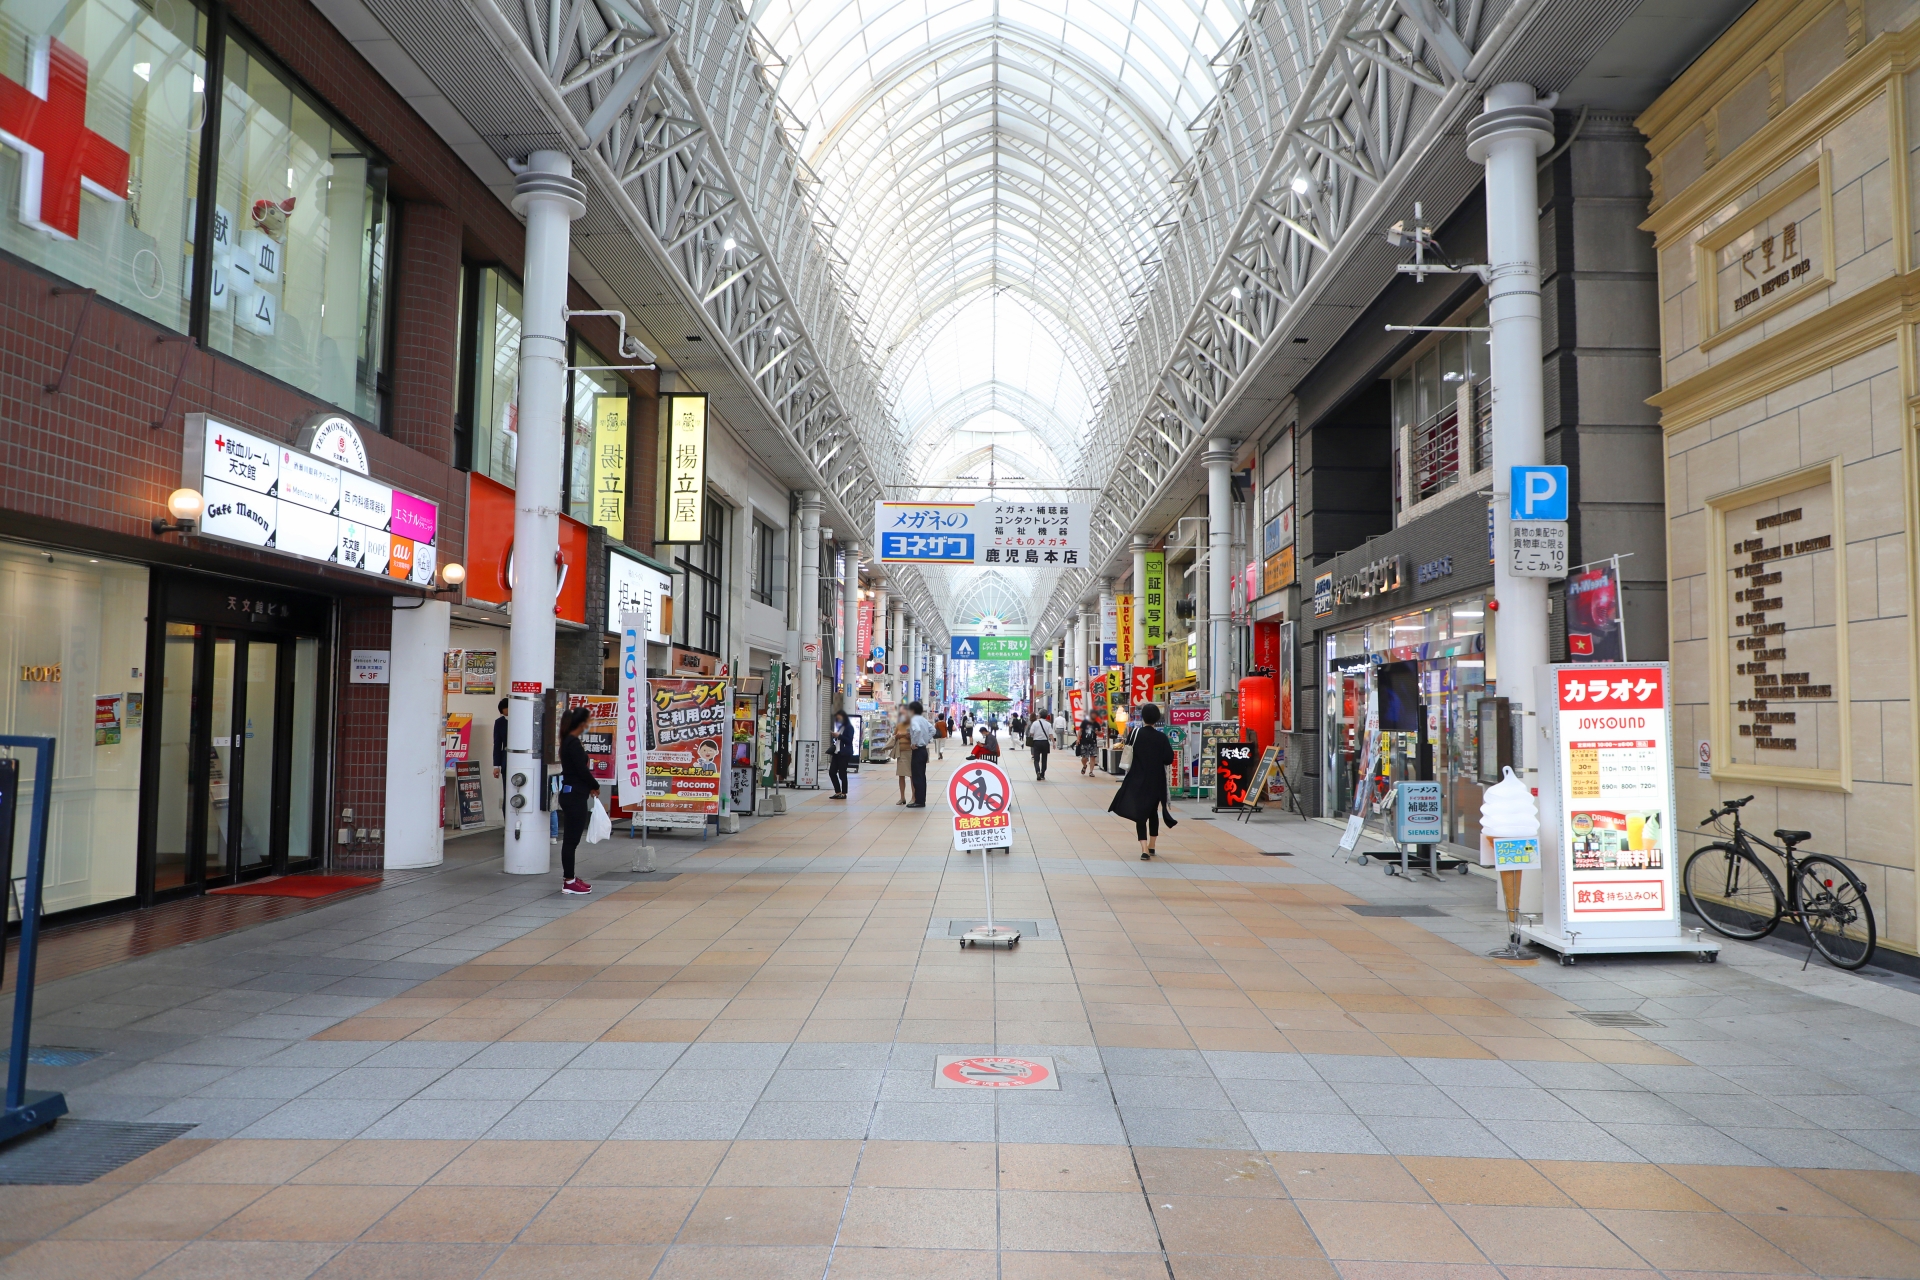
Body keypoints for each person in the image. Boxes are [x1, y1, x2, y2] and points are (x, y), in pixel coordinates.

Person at [1108, 703, 1177, 860]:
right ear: (1157, 719)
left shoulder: (1135, 734)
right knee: (1153, 812)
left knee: (1140, 812)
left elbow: (1128, 752)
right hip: (1156, 780)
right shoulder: (1161, 737)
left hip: (1137, 779)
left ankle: (1144, 848)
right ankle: (1152, 845)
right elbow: (1168, 759)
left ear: (1142, 717)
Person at [556, 706, 598, 894]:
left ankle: (570, 877)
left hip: (572, 793)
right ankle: (569, 881)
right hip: (574, 795)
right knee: (571, 840)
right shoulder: (572, 743)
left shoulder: (567, 741)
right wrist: (594, 785)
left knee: (572, 840)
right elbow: (582, 770)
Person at [906, 700, 934, 807]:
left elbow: (916, 730)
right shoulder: (923, 719)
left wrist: (914, 743)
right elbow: (933, 730)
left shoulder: (914, 720)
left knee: (917, 776)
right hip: (924, 750)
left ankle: (919, 801)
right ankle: (921, 799)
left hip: (917, 750)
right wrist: (926, 740)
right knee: (922, 776)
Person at [828, 709, 855, 798]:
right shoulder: (841, 727)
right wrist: (835, 736)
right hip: (837, 752)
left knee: (842, 773)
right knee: (832, 772)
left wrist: (839, 736)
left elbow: (849, 740)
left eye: (840, 718)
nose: (838, 720)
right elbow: (839, 740)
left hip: (844, 753)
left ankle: (844, 793)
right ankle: (838, 791)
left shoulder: (849, 727)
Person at [492, 697, 509, 818]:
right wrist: (496, 765)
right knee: (507, 792)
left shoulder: (523, 718)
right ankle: (507, 823)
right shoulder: (500, 722)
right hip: (506, 761)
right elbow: (497, 744)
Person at [892, 708, 913, 804]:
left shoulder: (913, 725)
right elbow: (894, 736)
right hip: (901, 752)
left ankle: (914, 796)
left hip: (910, 752)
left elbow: (916, 736)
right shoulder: (899, 725)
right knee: (901, 775)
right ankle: (902, 797)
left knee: (912, 775)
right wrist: (897, 736)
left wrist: (909, 736)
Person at [1026, 711, 1054, 780]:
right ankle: (1042, 774)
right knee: (1044, 759)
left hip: (1037, 742)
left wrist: (1036, 734)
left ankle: (1037, 771)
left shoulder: (1035, 723)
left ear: (1040, 715)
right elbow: (1051, 734)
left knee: (1036, 759)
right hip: (1045, 742)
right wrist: (1054, 743)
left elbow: (1031, 733)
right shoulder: (1048, 724)